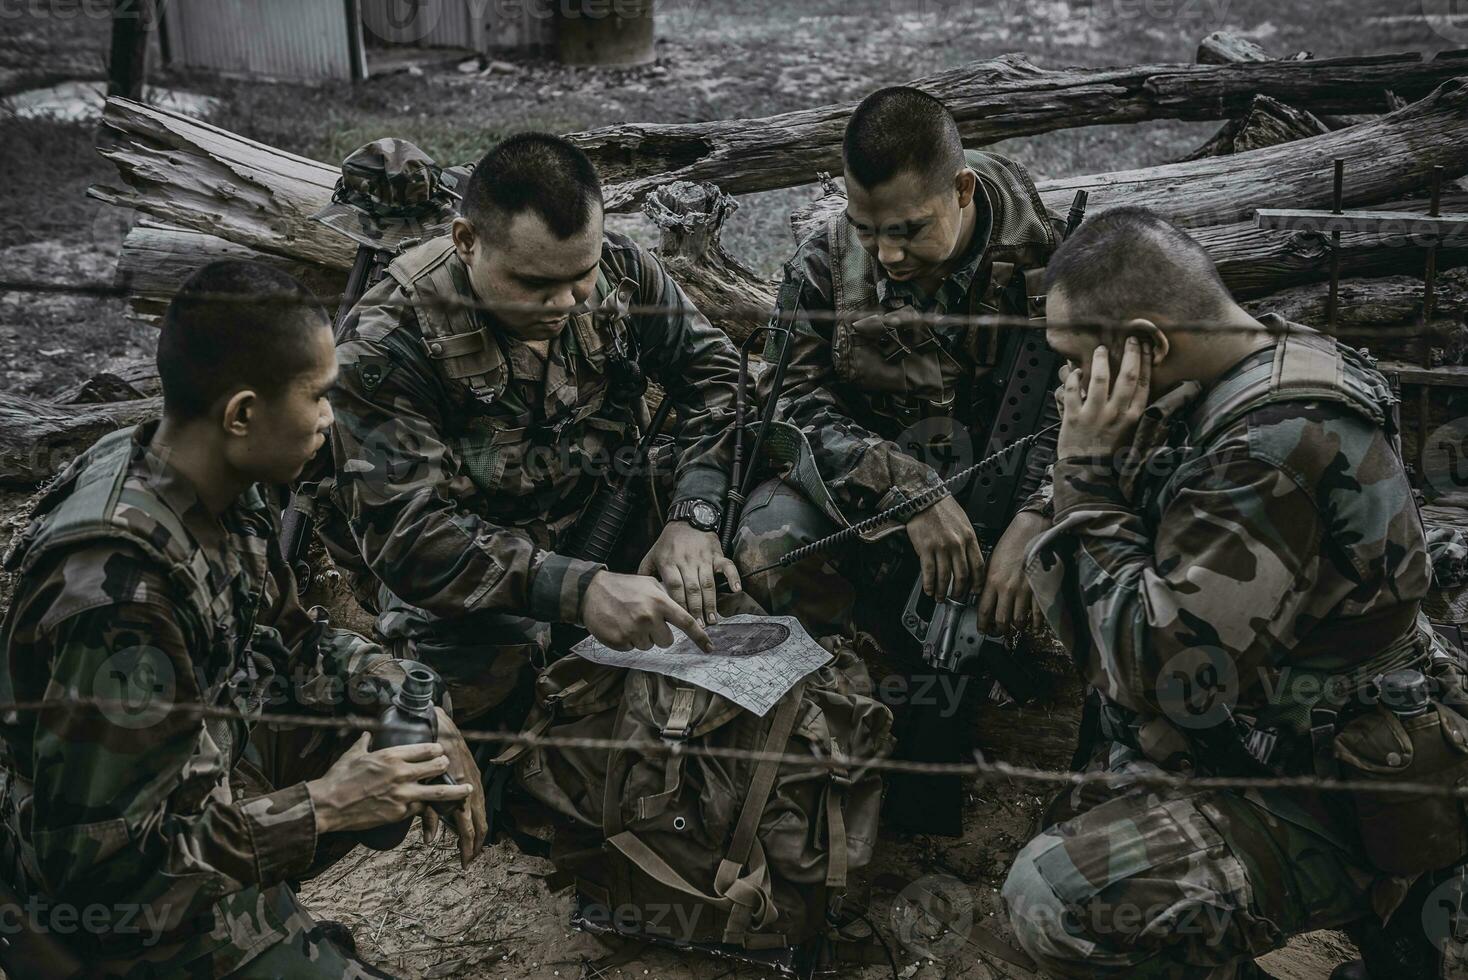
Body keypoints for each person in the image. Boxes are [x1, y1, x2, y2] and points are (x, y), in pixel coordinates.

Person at [1001, 207, 1468, 978]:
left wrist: (1080, 479)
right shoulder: (1253, 368)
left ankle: (1379, 893)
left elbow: (1163, 671)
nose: (1069, 384)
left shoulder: (1273, 441)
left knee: (1055, 897)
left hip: (1336, 784)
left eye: (1077, 359)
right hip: (1285, 730)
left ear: (1148, 345)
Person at [0, 260, 487, 978]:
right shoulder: (118, 595)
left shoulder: (216, 479)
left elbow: (293, 641)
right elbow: (106, 871)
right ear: (242, 414)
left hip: (194, 784)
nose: (331, 416)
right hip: (109, 911)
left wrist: (399, 693)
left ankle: (274, 924)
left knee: (385, 725)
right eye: (318, 396)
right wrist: (324, 806)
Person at [325, 133, 745, 724]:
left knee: (743, 563)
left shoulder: (622, 272)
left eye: (579, 275)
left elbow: (720, 378)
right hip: (477, 569)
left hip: (611, 511)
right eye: (533, 285)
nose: (566, 303)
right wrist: (580, 590)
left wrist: (693, 515)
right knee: (481, 699)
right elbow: (408, 536)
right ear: (467, 242)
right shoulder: (387, 339)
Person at [730, 85, 1063, 646]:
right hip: (875, 501)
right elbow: (785, 408)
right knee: (769, 544)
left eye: (907, 230)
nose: (886, 255)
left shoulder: (1051, 255)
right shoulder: (824, 266)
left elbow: (1103, 405)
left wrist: (1043, 515)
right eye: (867, 229)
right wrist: (910, 491)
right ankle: (844, 703)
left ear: (963, 190)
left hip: (1019, 497)